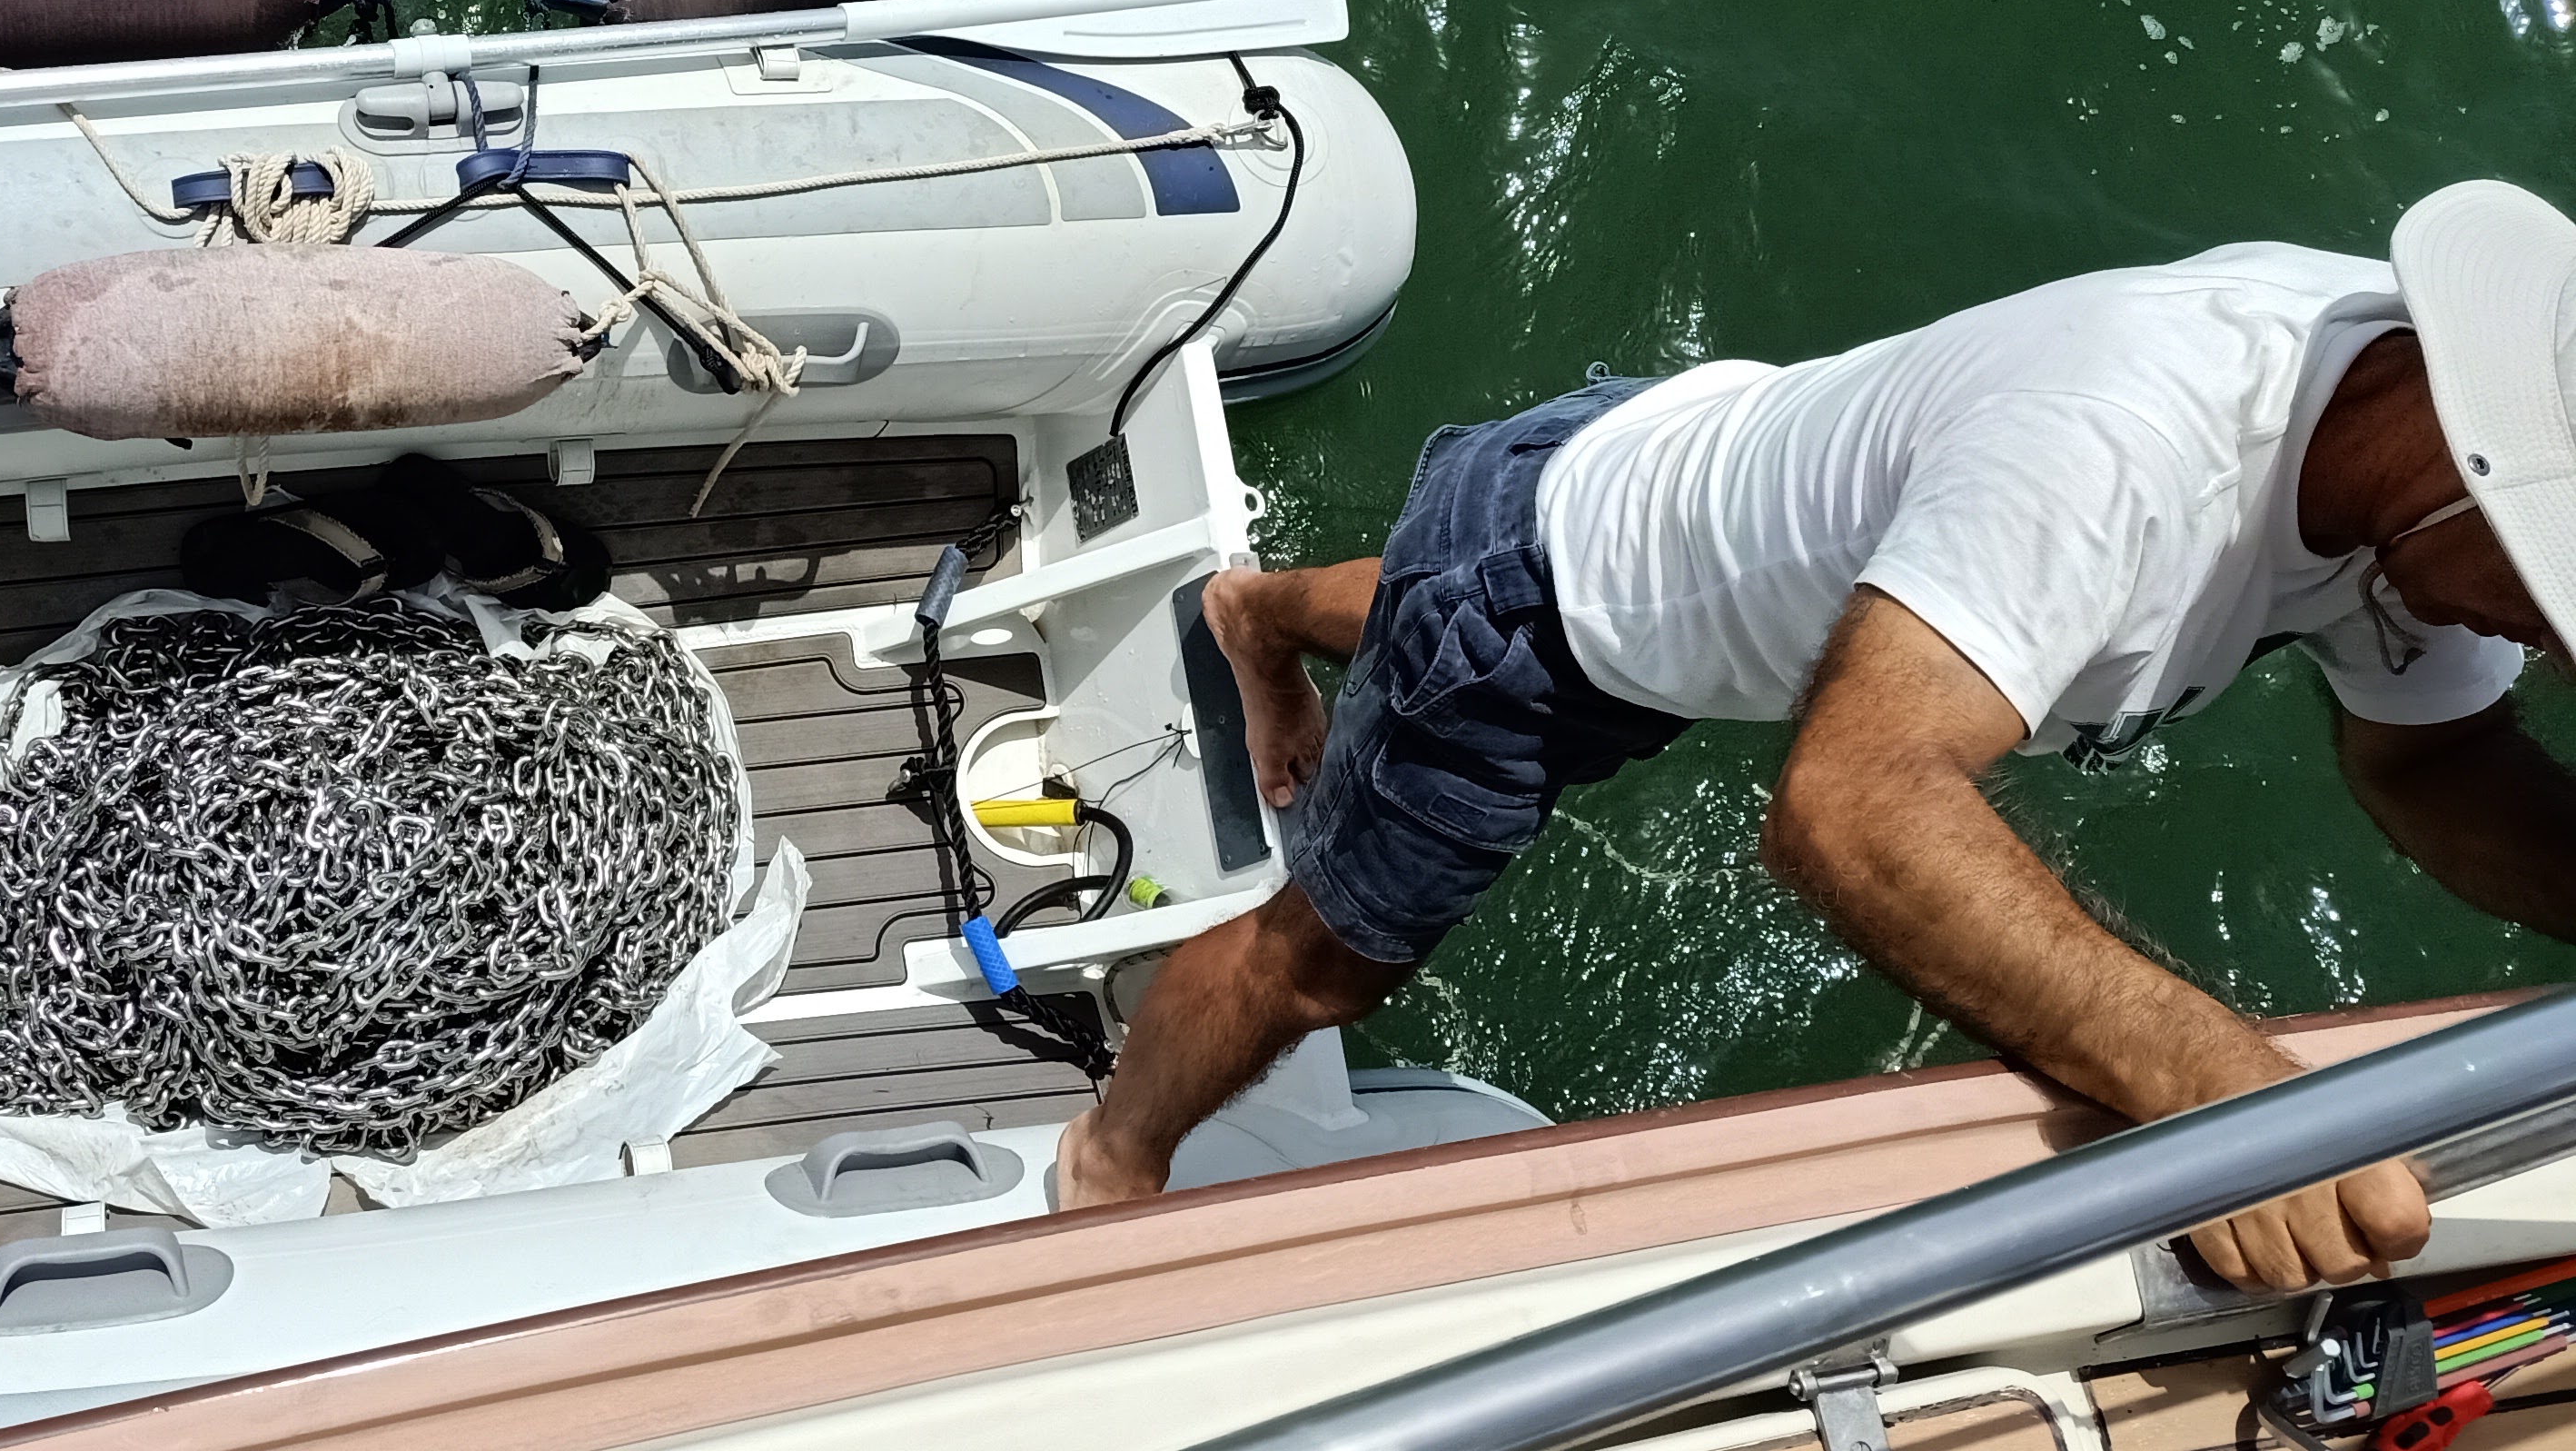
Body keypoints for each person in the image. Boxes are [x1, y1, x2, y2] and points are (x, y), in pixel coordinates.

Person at [1055, 181, 2576, 1295]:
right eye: (2547, 603)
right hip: (1536, 603)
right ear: (2462, 471)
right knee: (1324, 961)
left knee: (1496, 580)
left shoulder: (2417, 403)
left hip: (1657, 487)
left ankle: (1254, 612)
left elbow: (2437, 761)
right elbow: (1851, 809)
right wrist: (2214, 1087)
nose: (2539, 647)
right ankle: (1111, 1157)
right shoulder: (2120, 450)